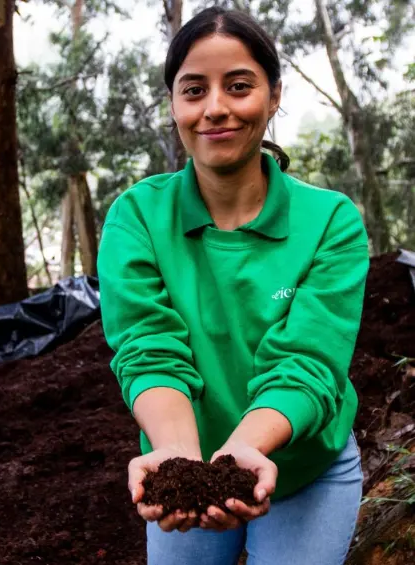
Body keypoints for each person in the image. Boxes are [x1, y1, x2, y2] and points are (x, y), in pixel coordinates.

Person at [97, 7, 369, 565]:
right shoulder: (138, 217)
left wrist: (246, 448)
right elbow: (149, 350)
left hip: (305, 469)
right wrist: (178, 458)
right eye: (193, 89)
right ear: (172, 103)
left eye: (239, 86)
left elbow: (309, 361)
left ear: (273, 97)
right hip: (186, 460)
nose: (215, 107)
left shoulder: (331, 221)